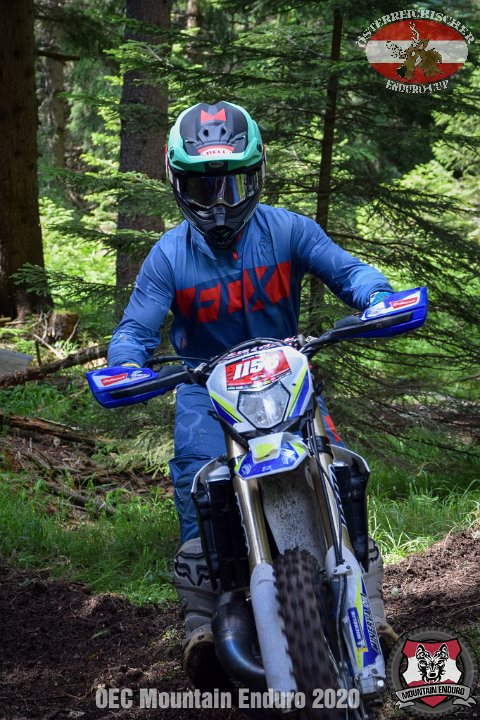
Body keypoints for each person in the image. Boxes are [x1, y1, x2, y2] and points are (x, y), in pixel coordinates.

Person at [108, 100, 398, 687]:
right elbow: (135, 329)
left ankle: (371, 610)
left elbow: (347, 271)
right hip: (205, 389)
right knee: (198, 483)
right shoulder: (169, 254)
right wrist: (125, 366)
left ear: (258, 174)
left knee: (341, 469)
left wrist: (378, 297)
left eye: (233, 184)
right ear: (177, 184)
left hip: (286, 375)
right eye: (203, 187)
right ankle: (202, 622)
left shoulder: (288, 229)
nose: (219, 203)